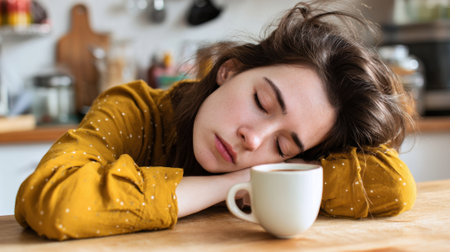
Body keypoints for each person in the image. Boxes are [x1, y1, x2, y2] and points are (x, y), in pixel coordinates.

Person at [15, 1, 416, 240]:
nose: (254, 140)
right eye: (261, 101)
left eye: (283, 146)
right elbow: (55, 201)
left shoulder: (277, 160)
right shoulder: (132, 109)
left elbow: (393, 185)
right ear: (230, 70)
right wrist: (233, 184)